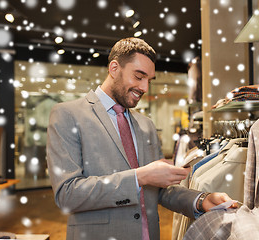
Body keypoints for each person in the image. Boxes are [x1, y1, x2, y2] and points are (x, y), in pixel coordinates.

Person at [46, 37, 236, 240]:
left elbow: (160, 191)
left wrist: (201, 200)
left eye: (149, 80)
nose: (145, 87)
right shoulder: (67, 115)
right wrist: (139, 177)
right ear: (114, 68)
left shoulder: (146, 125)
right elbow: (67, 195)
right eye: (138, 77)